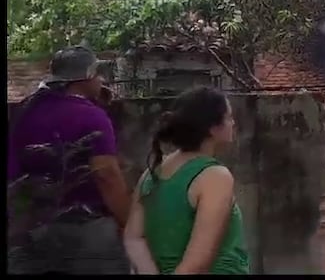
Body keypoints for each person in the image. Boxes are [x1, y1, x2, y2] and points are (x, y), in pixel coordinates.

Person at [7, 46, 132, 274]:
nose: (101, 81)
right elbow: (106, 174)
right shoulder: (91, 116)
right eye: (97, 75)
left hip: (31, 229)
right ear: (85, 77)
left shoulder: (24, 111)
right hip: (86, 232)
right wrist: (129, 222)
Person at [123, 86, 251, 275]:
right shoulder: (214, 176)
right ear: (213, 128)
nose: (233, 123)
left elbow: (133, 239)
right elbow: (197, 264)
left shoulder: (151, 174)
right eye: (228, 117)